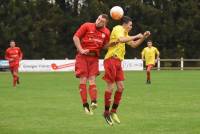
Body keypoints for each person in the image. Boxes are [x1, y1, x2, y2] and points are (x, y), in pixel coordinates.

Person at [102, 16, 151, 126]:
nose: (131, 27)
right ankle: (106, 113)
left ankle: (113, 111)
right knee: (111, 87)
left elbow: (133, 45)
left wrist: (143, 37)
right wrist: (136, 36)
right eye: (130, 25)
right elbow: (120, 40)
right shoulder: (118, 28)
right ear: (124, 24)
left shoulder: (125, 34)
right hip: (111, 59)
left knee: (121, 87)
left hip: (118, 62)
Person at [73, 14, 110, 115]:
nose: (98, 21)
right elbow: (76, 37)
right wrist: (80, 49)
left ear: (105, 24)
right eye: (98, 19)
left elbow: (105, 46)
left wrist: (114, 43)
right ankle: (85, 105)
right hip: (82, 57)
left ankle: (94, 101)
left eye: (102, 21)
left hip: (94, 58)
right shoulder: (87, 25)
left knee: (92, 80)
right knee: (83, 79)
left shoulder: (106, 32)